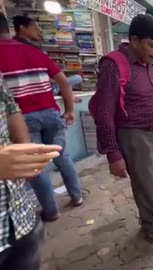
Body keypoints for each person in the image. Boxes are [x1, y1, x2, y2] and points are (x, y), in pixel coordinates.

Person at [94, 14, 153, 244]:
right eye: (152, 45)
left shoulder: (152, 65)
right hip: (135, 136)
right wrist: (113, 154)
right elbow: (104, 111)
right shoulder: (114, 65)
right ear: (134, 40)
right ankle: (150, 224)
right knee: (144, 185)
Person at [0, 12, 83, 222]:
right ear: (16, 28)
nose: (38, 31)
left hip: (23, 119)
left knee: (36, 166)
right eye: (34, 26)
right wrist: (70, 109)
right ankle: (77, 196)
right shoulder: (34, 52)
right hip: (50, 112)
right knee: (62, 156)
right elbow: (65, 82)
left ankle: (51, 211)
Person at [0, 67, 63, 270]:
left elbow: (10, 107)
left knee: (49, 159)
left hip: (19, 217)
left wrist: (23, 146)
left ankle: (53, 209)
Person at [12, 15, 83, 96]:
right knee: (77, 78)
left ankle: (61, 89)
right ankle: (60, 90)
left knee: (67, 81)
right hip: (43, 90)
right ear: (22, 28)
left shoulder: (19, 47)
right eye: (35, 29)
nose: (38, 31)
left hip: (33, 89)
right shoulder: (28, 50)